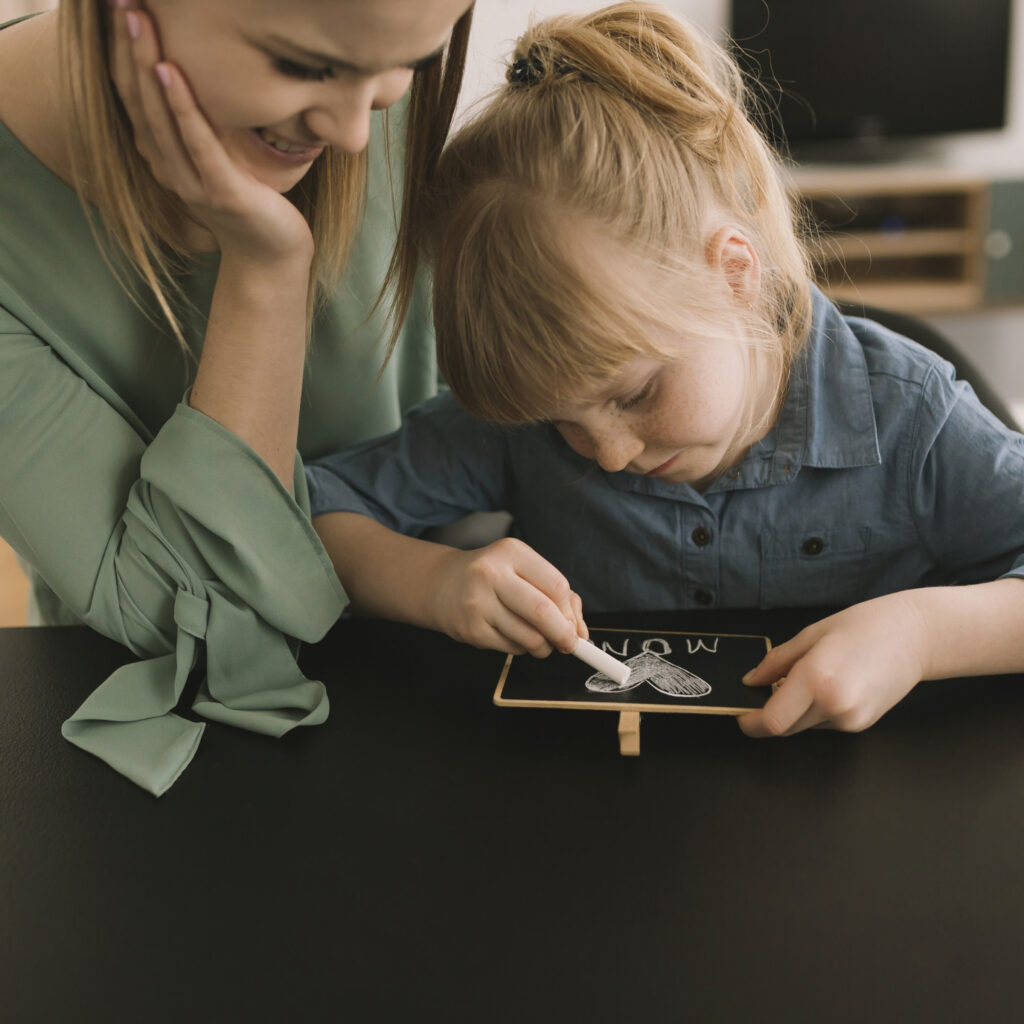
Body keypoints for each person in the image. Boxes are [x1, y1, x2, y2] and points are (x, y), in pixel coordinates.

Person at [306, 2, 1024, 740]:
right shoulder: (518, 431)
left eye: (636, 393)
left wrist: (920, 634)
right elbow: (311, 511)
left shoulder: (913, 418)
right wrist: (432, 583)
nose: (609, 455)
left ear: (735, 276)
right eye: (562, 423)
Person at [0, 0, 472, 794]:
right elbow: (195, 635)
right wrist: (264, 271)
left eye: (408, 63)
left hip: (443, 700)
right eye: (306, 65)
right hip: (166, 792)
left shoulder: (369, 63)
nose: (357, 131)